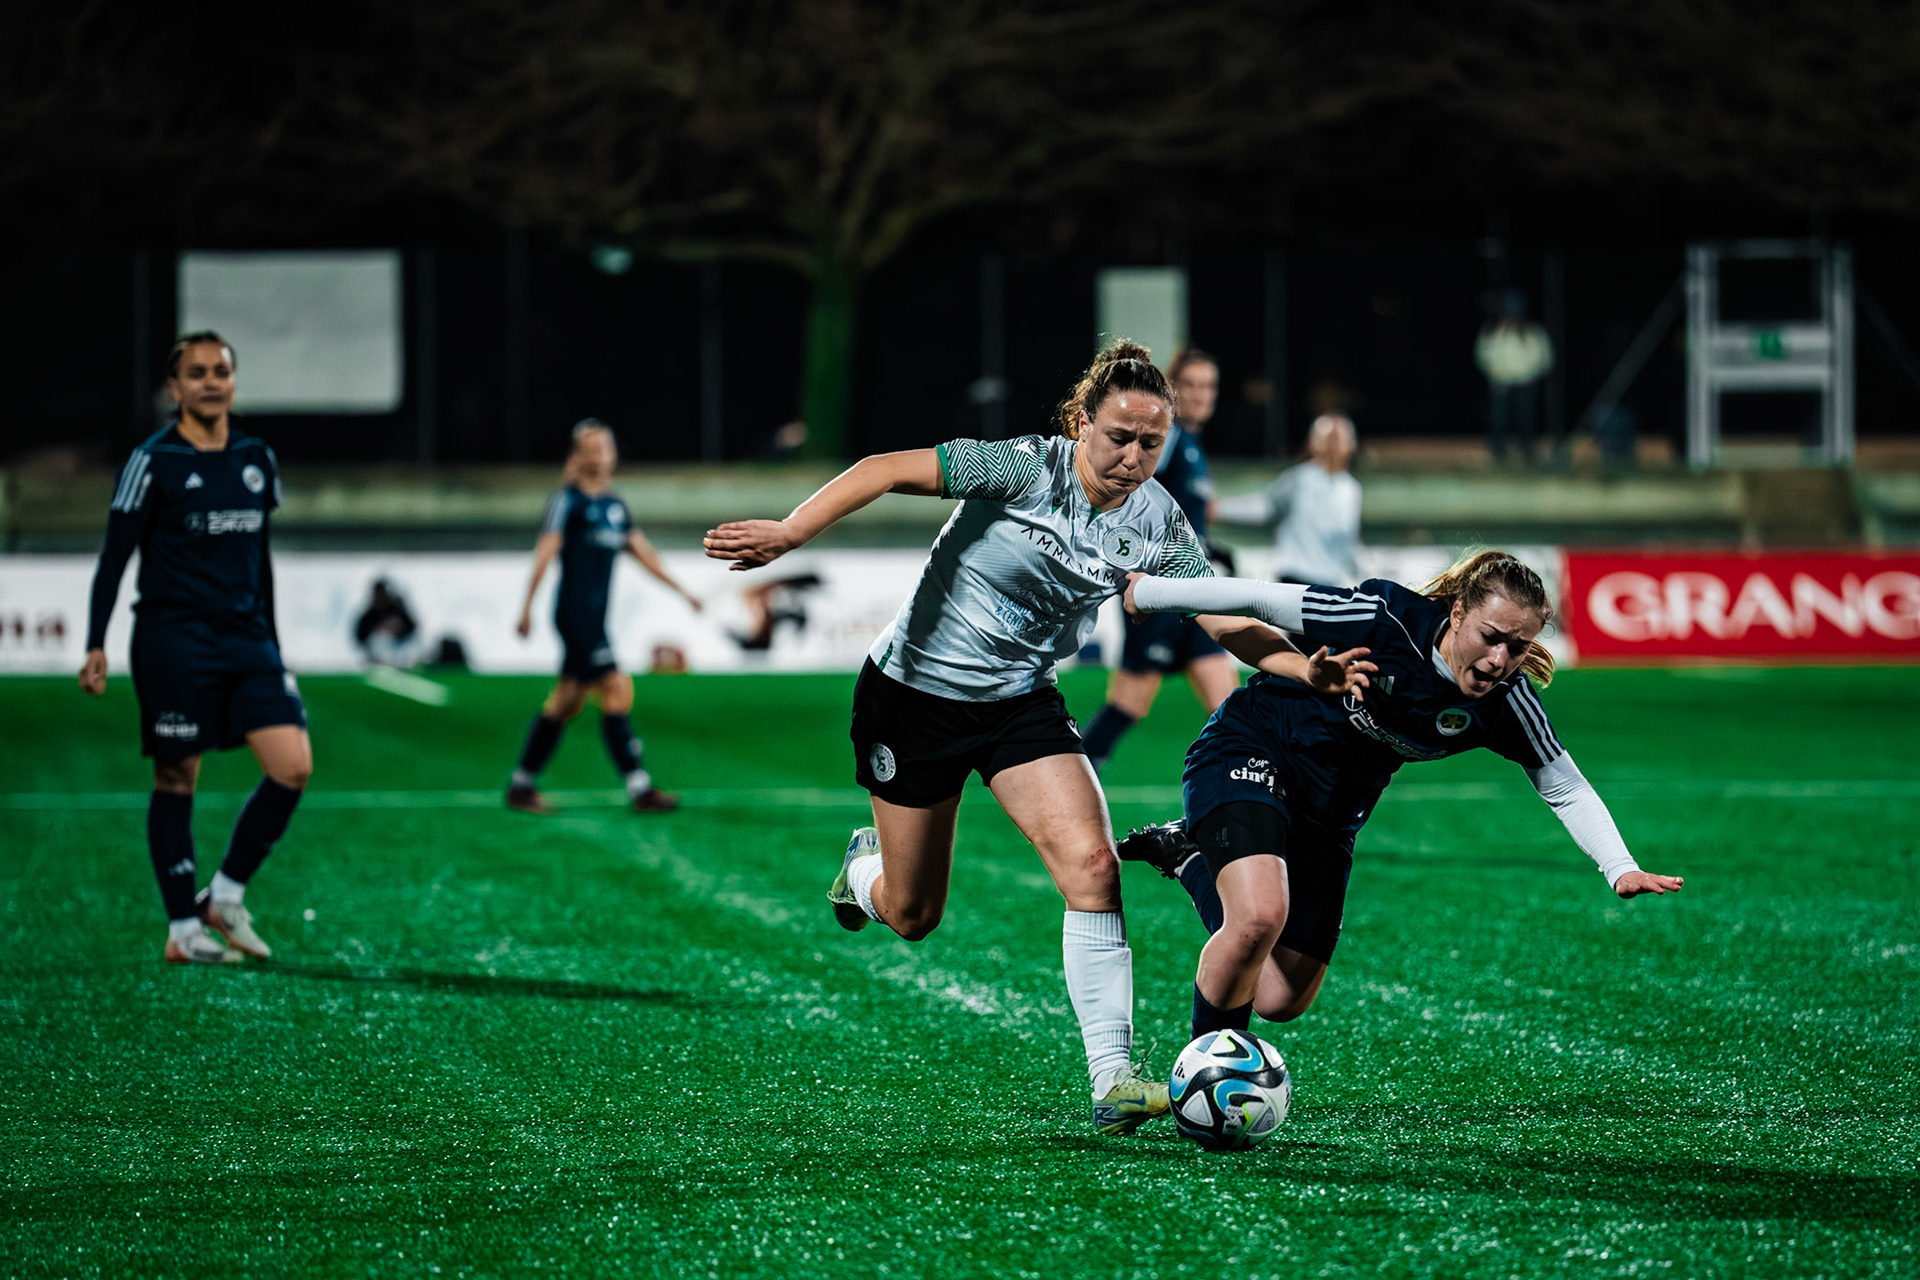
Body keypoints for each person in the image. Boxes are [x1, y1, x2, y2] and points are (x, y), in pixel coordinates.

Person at [702, 341, 1373, 1135]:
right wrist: (789, 532)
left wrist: (1306, 670)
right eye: (1118, 436)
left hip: (1022, 702)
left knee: (1094, 867)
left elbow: (1226, 618)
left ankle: (1112, 1077)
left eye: (1150, 443)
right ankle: (865, 873)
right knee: (915, 914)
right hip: (914, 697)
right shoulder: (1023, 468)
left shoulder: (1158, 520)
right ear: (1082, 423)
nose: (1132, 457)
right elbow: (881, 468)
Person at [1117, 550, 1684, 1045]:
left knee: (1280, 997)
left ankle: (1188, 855)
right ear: (1458, 612)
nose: (1498, 660)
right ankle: (1212, 1075)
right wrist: (1152, 592)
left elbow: (1562, 783)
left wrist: (1619, 865)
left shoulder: (1506, 699)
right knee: (1260, 916)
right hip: (1252, 749)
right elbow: (1256, 599)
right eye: (1490, 637)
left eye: (1518, 647)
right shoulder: (1382, 620)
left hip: (1332, 816)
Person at [79, 332, 311, 965]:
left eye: (221, 371)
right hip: (174, 641)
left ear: (234, 382)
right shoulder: (151, 461)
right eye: (197, 373)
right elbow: (114, 556)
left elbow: (259, 560)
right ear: (174, 388)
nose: (211, 382)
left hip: (249, 640)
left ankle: (226, 895)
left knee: (292, 765)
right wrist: (95, 642)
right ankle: (184, 928)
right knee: (178, 775)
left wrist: (274, 641)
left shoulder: (256, 457)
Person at [507, 420, 703, 814]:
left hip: (594, 620)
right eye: (591, 448)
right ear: (579, 456)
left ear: (613, 455)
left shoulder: (616, 506)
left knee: (567, 701)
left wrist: (683, 592)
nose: (599, 455)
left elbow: (644, 554)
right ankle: (640, 787)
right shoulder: (568, 501)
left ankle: (521, 784)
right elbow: (546, 551)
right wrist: (527, 606)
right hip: (575, 617)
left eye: (605, 448)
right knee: (616, 687)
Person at [1079, 347, 1241, 774]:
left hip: (1194, 593)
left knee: (1231, 706)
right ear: (1172, 390)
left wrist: (1212, 549)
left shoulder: (1192, 444)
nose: (1202, 394)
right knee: (1130, 704)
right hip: (1157, 594)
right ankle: (1071, 771)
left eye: (1209, 386)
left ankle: (1234, 798)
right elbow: (1125, 494)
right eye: (1191, 385)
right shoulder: (1164, 442)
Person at [1214, 413, 1363, 587]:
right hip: (1296, 580)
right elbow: (1266, 507)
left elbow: (1350, 543)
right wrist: (1220, 509)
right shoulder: (1302, 479)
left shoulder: (1350, 489)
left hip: (1327, 584)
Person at [1476, 290, 1554, 466]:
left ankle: (1528, 452)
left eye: (1515, 313)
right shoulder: (1491, 331)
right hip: (1500, 383)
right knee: (1499, 419)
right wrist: (1494, 373)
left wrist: (1533, 375)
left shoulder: (1533, 332)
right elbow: (1482, 355)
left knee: (1526, 419)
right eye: (1508, 312)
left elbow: (1545, 357)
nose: (1512, 317)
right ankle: (1498, 453)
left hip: (1525, 382)